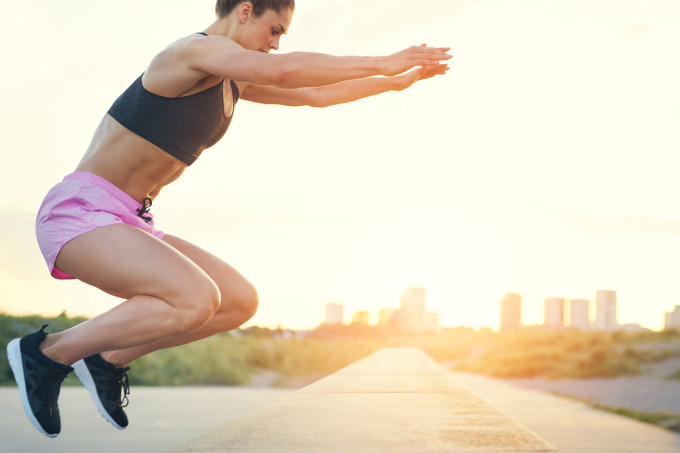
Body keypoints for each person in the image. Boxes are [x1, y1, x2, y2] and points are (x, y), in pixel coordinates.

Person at [6, 0, 451, 438]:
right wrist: (384, 60)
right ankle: (49, 353)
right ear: (243, 10)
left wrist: (396, 81)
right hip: (80, 212)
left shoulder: (232, 80)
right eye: (274, 30)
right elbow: (284, 71)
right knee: (195, 297)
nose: (276, 45)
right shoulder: (189, 53)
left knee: (238, 300)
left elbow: (317, 93)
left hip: (126, 219)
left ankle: (107, 360)